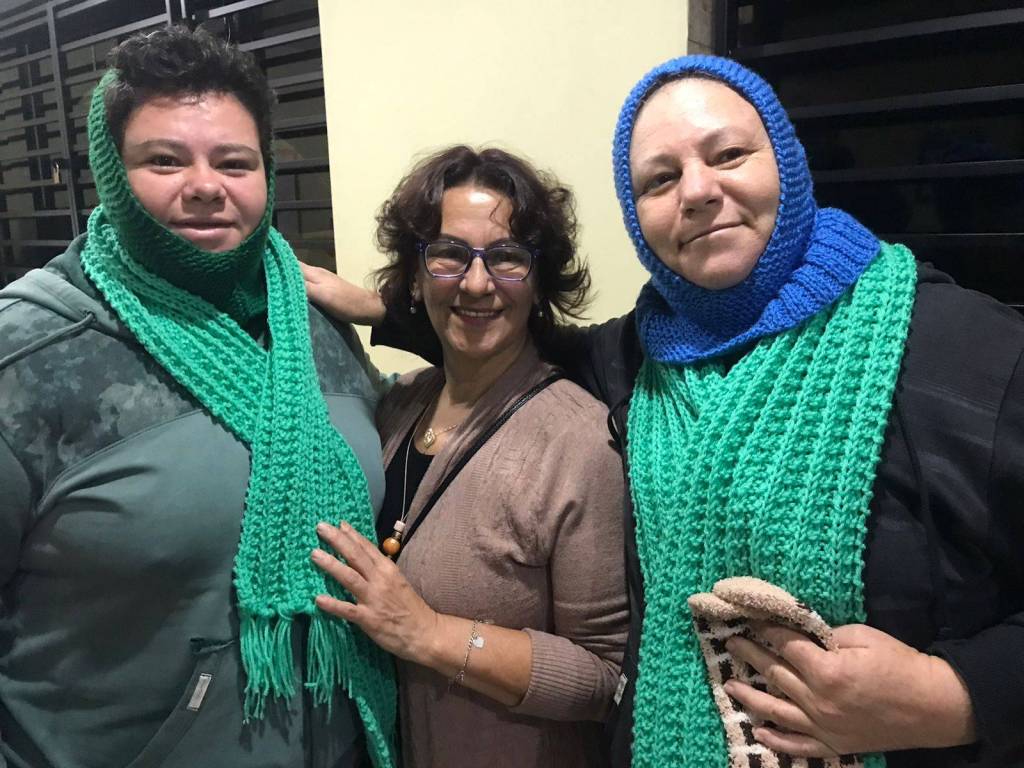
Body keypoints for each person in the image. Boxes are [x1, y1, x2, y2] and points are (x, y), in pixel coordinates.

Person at [305, 57, 1024, 768]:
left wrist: (954, 697)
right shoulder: (637, 357)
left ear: (788, 164)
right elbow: (502, 333)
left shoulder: (965, 350)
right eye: (660, 179)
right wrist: (382, 310)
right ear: (637, 215)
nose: (699, 191)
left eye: (729, 155)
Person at [0, 27, 395, 768]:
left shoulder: (312, 320)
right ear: (113, 173)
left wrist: (401, 317)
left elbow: (407, 418)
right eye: (165, 160)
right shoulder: (28, 354)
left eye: (234, 162)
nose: (206, 184)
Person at [302, 145, 629, 768]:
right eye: (450, 254)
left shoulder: (580, 444)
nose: (477, 283)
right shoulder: (399, 403)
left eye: (506, 258)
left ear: (538, 283)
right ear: (416, 277)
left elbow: (604, 676)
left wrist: (429, 634)